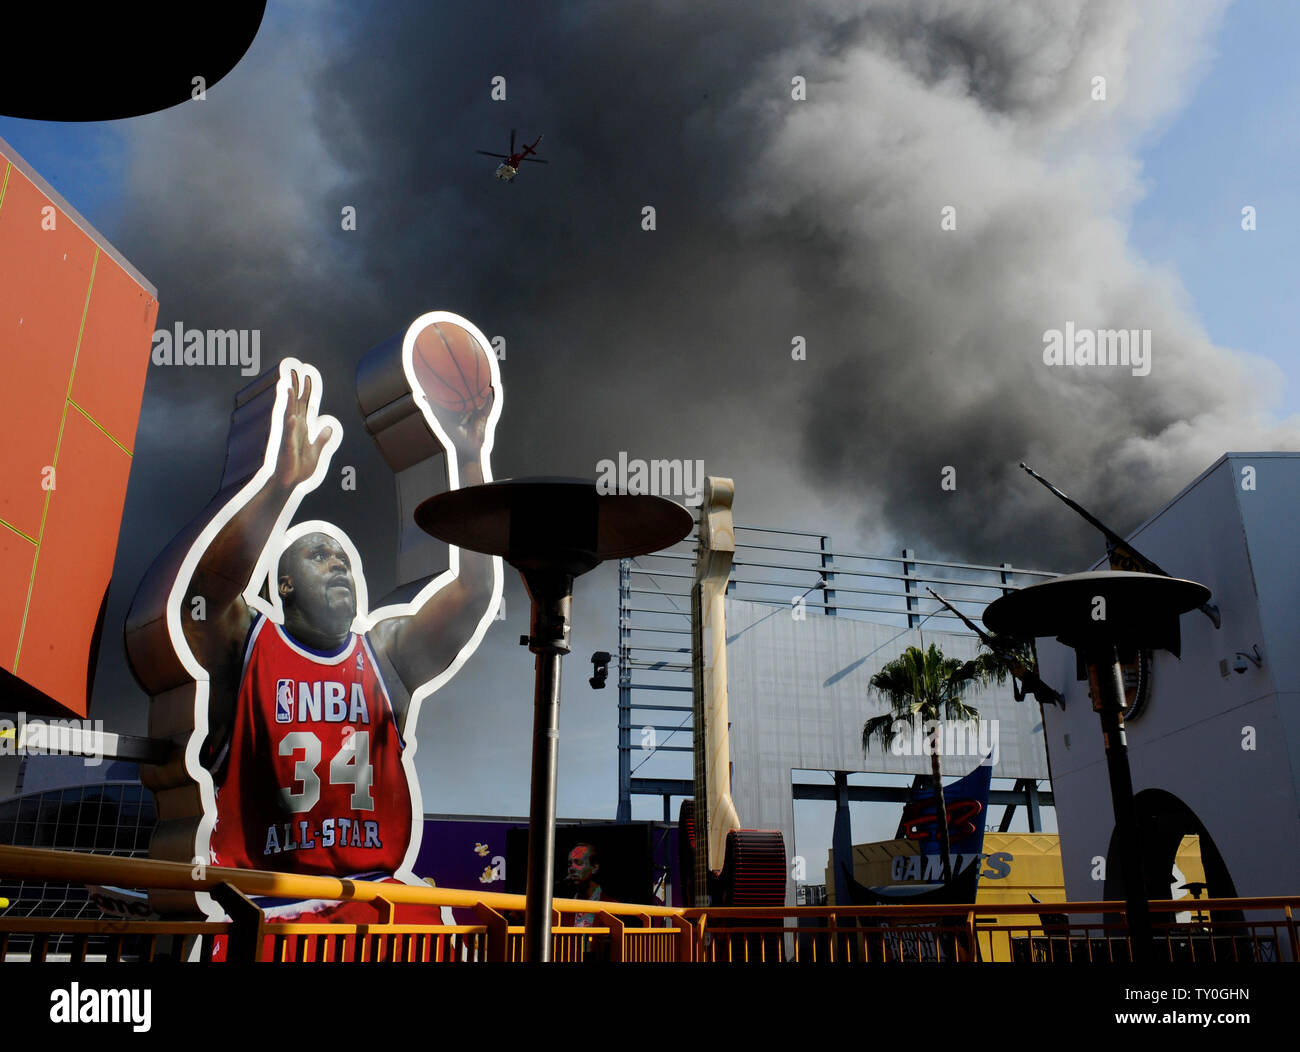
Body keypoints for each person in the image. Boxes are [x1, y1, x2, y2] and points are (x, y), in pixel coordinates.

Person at [180, 363, 497, 950]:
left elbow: (475, 592)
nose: (339, 563)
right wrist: (280, 488)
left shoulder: (386, 652)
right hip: (273, 910)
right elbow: (201, 597)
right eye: (320, 555)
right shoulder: (248, 645)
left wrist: (469, 455)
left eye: (344, 559)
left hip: (379, 907)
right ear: (284, 586)